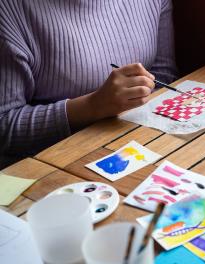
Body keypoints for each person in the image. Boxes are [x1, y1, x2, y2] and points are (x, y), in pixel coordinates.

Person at [0, 0, 178, 168]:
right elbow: (4, 126)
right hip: (47, 165)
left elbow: (163, 75)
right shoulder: (10, 10)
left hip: (134, 147)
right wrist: (92, 107)